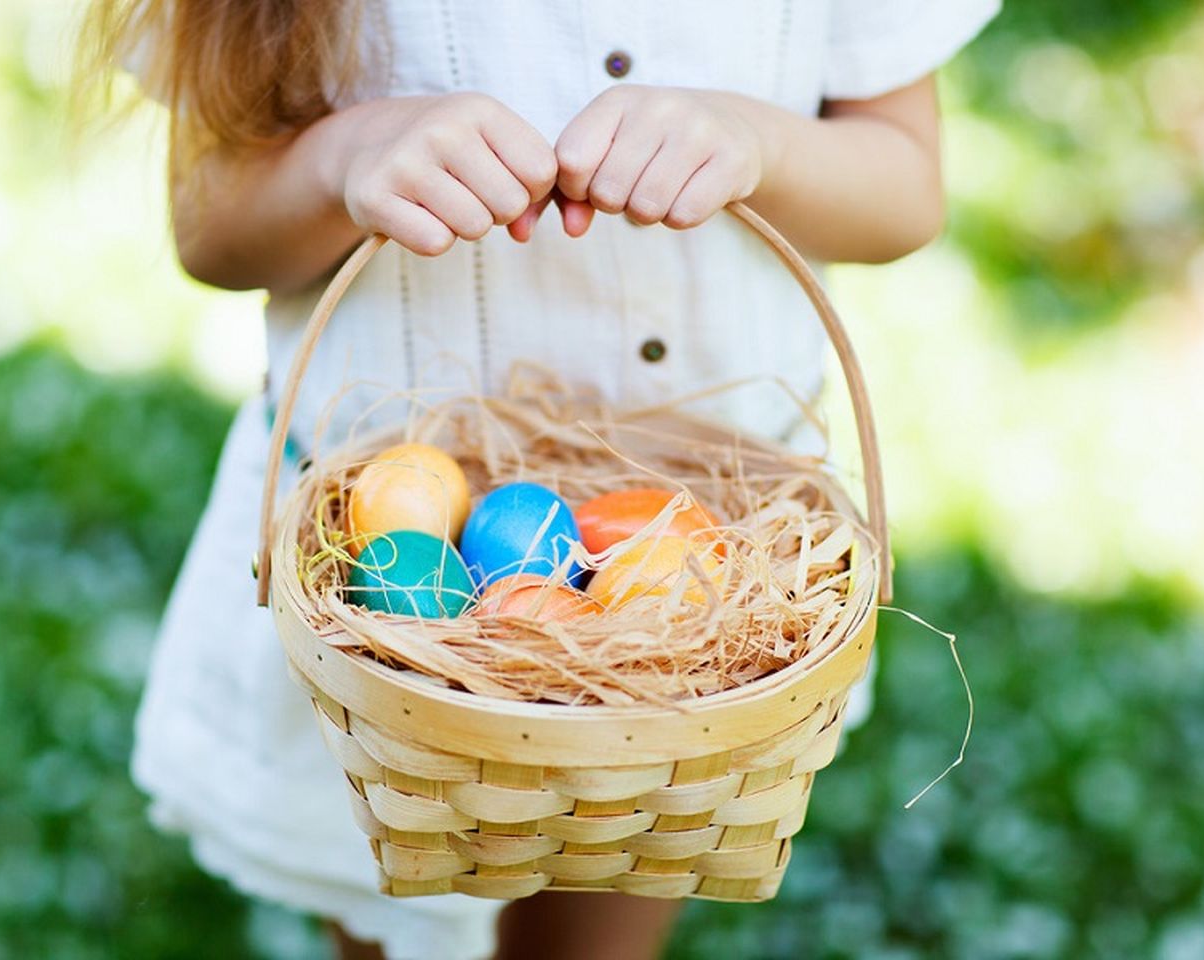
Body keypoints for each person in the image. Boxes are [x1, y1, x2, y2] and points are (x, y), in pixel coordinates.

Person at [77, 2, 998, 957]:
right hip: (381, 618)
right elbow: (209, 229)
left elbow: (905, 188)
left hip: (701, 595)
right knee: (396, 921)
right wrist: (338, 161)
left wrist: (755, 140)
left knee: (605, 920)